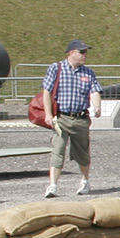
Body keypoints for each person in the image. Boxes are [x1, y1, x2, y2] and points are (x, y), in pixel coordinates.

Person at [41, 40, 103, 197]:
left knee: (82, 152)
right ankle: (53, 186)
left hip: (80, 119)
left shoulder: (88, 73)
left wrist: (97, 106)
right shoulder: (56, 68)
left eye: (86, 52)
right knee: (57, 151)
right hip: (61, 118)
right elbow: (47, 92)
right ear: (71, 53)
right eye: (81, 52)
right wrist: (48, 114)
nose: (85, 55)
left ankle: (85, 181)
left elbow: (94, 91)